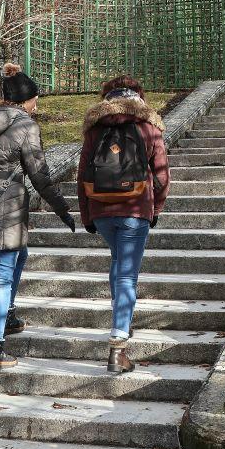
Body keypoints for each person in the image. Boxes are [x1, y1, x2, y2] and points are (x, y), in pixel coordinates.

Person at [0, 62, 75, 371]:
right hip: (7, 209)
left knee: (20, 254)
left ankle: (9, 315)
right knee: (2, 274)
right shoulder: (25, 126)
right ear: (26, 100)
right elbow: (39, 175)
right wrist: (62, 208)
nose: (36, 105)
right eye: (35, 100)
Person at [78, 75, 170, 374]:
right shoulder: (149, 126)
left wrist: (86, 214)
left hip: (101, 209)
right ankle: (118, 346)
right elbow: (161, 175)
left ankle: (122, 318)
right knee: (127, 274)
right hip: (135, 208)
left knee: (118, 262)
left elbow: (82, 174)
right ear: (138, 95)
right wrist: (155, 208)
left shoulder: (95, 127)